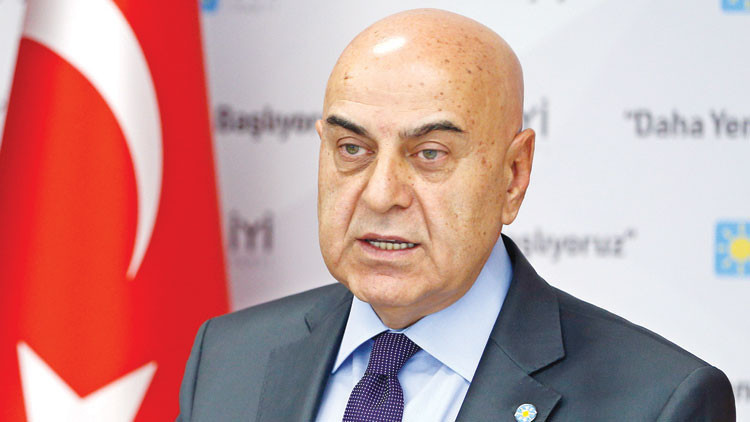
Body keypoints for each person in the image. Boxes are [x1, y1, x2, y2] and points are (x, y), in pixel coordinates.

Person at [177, 9, 736, 421]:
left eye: (429, 154)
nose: (380, 195)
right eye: (352, 149)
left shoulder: (658, 403)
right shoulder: (227, 358)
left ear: (513, 175)